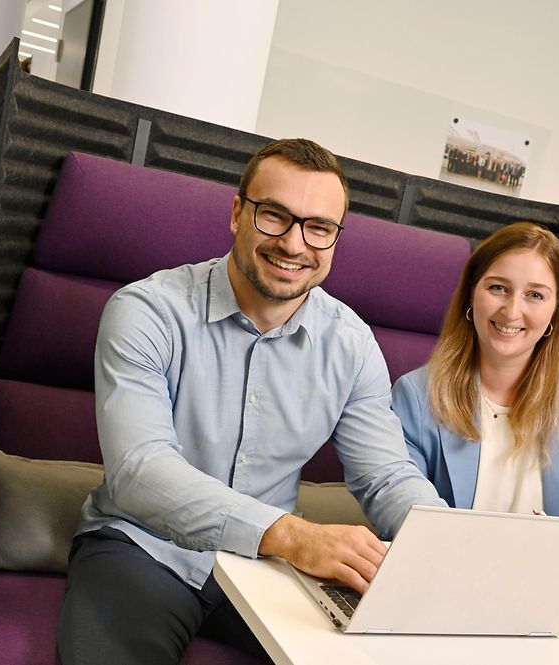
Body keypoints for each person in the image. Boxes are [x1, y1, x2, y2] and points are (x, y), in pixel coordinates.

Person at [57, 138, 445, 665]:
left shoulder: (352, 345)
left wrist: (448, 546)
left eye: (318, 227)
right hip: (145, 548)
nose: (294, 243)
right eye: (274, 216)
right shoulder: (147, 311)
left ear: (334, 238)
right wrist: (288, 535)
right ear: (238, 213)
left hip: (268, 570)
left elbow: (386, 477)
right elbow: (139, 470)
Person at [391, 222, 559, 567]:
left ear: (556, 311)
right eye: (498, 288)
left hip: (549, 581)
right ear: (471, 294)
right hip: (450, 573)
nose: (512, 311)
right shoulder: (417, 395)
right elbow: (407, 515)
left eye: (535, 295)